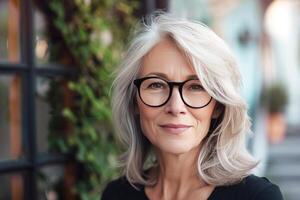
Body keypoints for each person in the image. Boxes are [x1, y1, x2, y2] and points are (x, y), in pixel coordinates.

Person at [102, 12, 283, 200]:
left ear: (218, 105)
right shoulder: (116, 195)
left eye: (196, 87)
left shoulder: (257, 197)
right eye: (156, 84)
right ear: (134, 102)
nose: (176, 106)